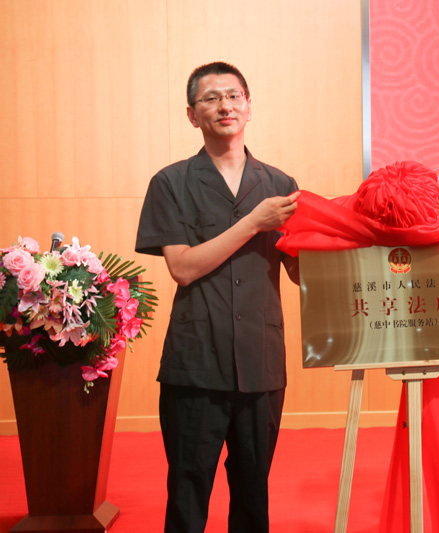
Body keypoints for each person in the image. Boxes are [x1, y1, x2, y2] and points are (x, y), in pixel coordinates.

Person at [135, 61, 300, 532]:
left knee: (253, 493)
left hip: (261, 361)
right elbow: (183, 268)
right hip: (196, 363)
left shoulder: (280, 186)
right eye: (211, 98)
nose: (225, 106)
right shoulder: (171, 183)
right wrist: (253, 223)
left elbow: (298, 272)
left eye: (233, 96)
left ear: (249, 106)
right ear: (192, 115)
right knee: (188, 492)